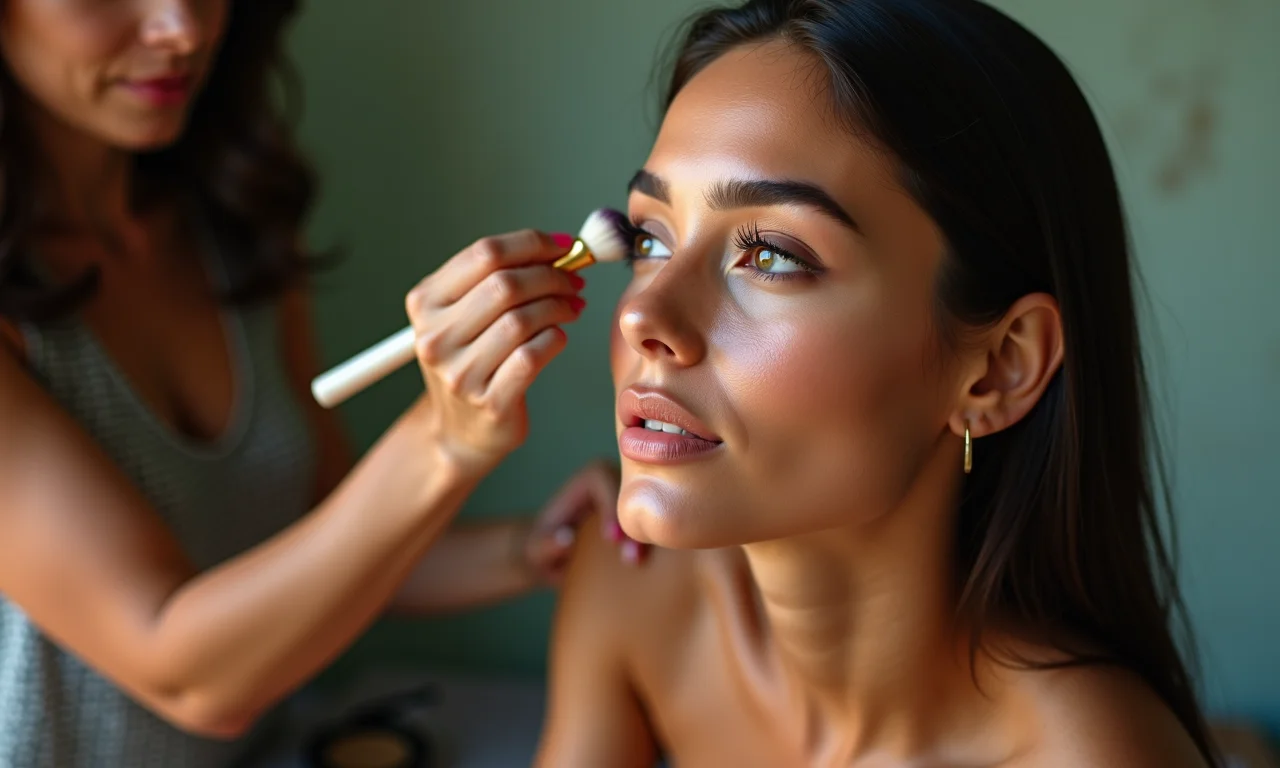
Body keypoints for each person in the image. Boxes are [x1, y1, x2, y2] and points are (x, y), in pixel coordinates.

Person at [536, 1, 1221, 766]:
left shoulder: (1094, 755)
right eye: (650, 238)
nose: (642, 314)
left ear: (999, 367)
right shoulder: (633, 587)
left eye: (770, 256)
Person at [0, 1, 637, 766]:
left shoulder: (232, 220)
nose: (184, 28)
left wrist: (537, 548)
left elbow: (323, 534)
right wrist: (444, 441)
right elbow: (191, 681)